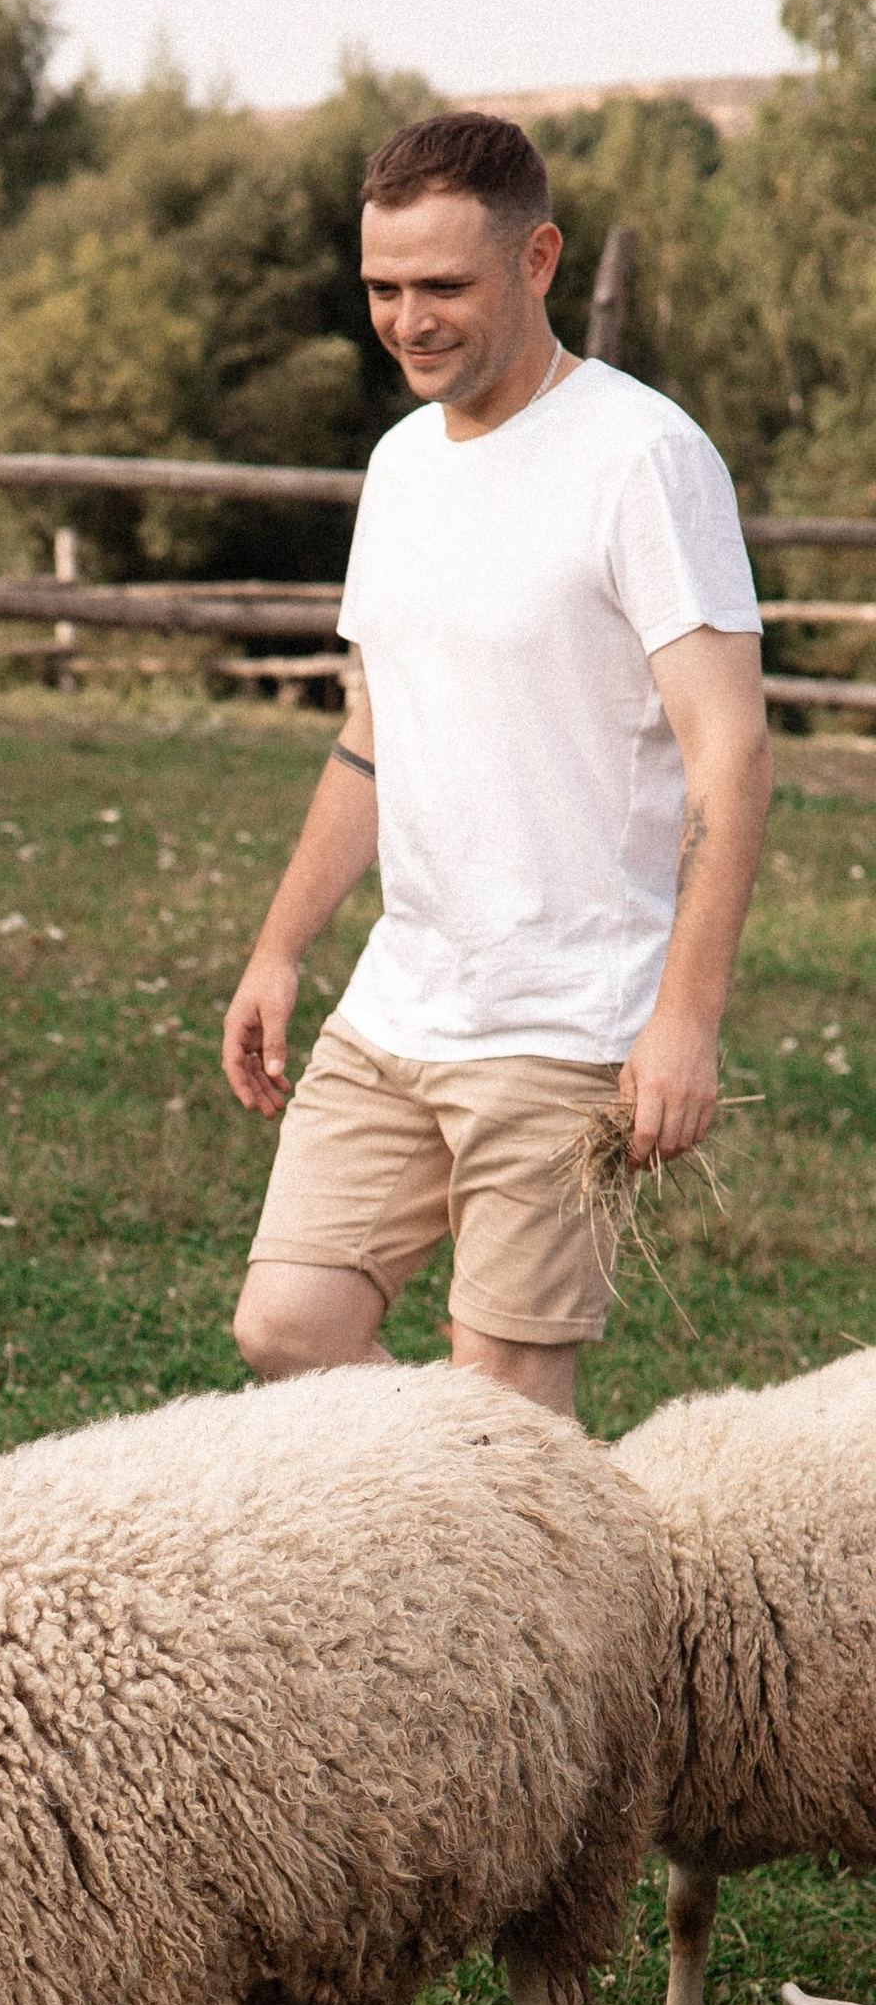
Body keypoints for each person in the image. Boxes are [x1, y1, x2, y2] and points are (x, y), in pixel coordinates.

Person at [222, 110, 771, 1418]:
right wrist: (281, 945)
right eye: (384, 289)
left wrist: (683, 1018)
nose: (410, 320)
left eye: (445, 286)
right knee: (288, 1326)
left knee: (507, 1397)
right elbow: (373, 734)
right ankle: (497, 1534)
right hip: (404, 1000)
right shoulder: (401, 465)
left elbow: (734, 753)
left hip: (571, 1011)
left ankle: (550, 1587)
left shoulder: (642, 457)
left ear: (538, 260)